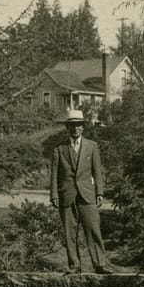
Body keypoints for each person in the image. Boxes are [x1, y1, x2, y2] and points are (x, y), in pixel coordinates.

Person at [49, 109, 112, 274]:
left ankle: (100, 264)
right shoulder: (59, 149)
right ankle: (74, 266)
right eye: (72, 125)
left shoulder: (92, 146)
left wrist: (99, 193)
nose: (76, 128)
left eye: (79, 125)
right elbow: (54, 173)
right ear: (67, 128)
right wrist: (54, 194)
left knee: (93, 229)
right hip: (66, 195)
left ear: (83, 127)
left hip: (87, 194)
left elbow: (97, 171)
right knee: (70, 233)